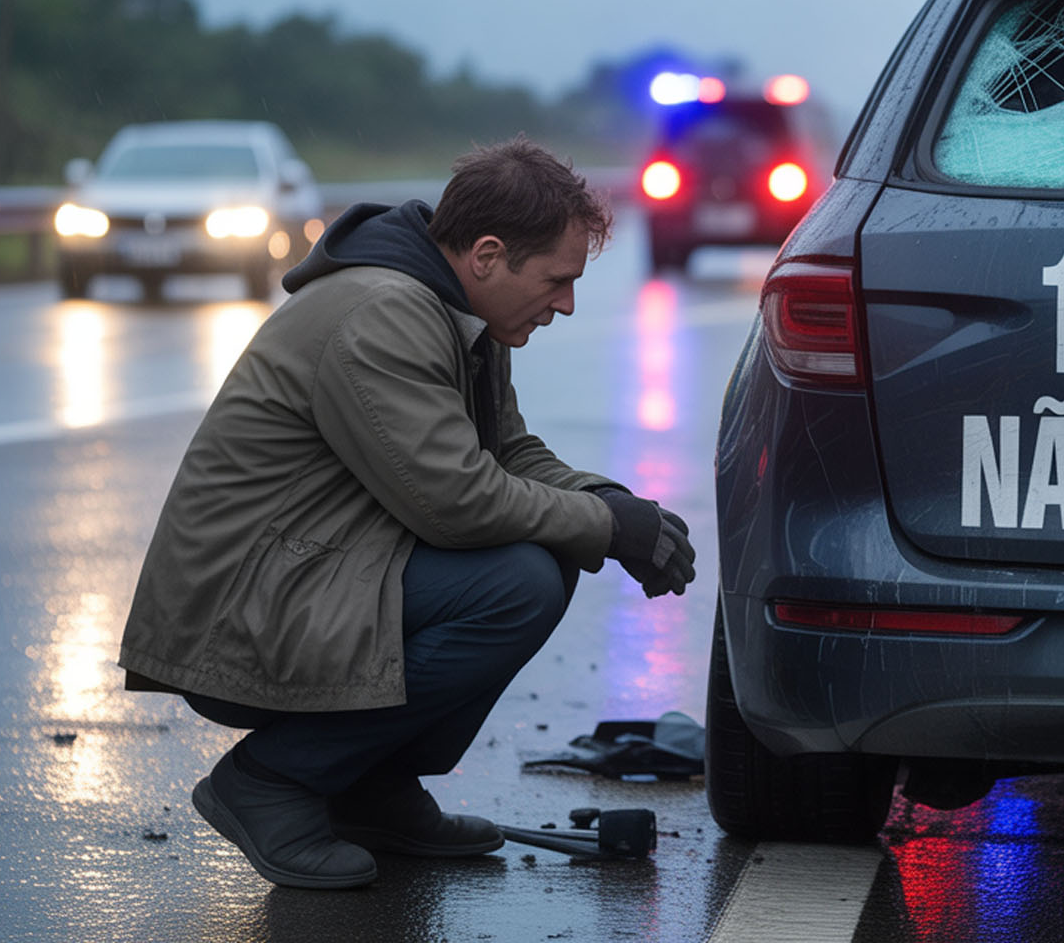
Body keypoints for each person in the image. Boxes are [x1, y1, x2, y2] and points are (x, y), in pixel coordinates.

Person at [116, 137, 695, 889]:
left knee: (543, 551)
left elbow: (509, 455)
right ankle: (271, 780)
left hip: (313, 576)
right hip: (242, 611)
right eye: (557, 280)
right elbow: (455, 502)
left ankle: (368, 789)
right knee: (517, 581)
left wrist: (612, 505)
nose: (567, 303)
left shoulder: (453, 310)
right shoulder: (384, 315)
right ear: (487, 254)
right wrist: (610, 530)